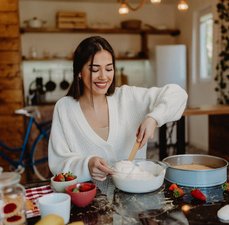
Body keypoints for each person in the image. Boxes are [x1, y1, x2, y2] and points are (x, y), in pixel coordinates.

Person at [48, 36, 188, 182]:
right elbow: (58, 164)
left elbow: (178, 94)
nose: (103, 76)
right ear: (79, 72)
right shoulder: (64, 108)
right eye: (95, 69)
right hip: (89, 197)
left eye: (109, 68)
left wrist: (154, 118)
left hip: (134, 193)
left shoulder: (127, 97)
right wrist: (87, 165)